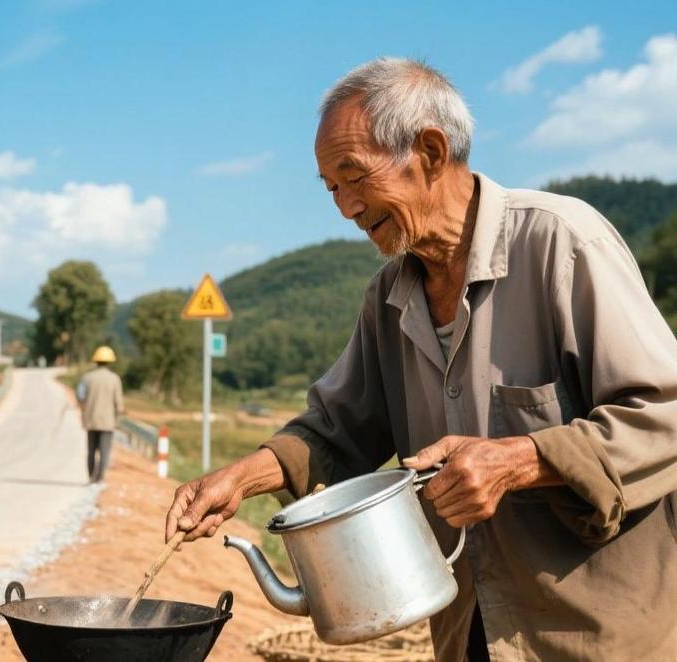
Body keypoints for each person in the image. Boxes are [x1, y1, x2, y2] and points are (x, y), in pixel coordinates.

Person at [165, 58, 677, 661]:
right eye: (331, 187)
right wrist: (240, 478)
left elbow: (664, 412)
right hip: (467, 631)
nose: (345, 208)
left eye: (353, 176)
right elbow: (338, 429)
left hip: (597, 635)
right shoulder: (387, 298)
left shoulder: (561, 243)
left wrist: (519, 459)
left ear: (430, 152)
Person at [77, 346, 124, 483]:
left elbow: (80, 396)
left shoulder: (87, 378)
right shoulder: (115, 379)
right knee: (104, 451)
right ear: (110, 362)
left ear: (96, 361)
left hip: (90, 420)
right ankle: (100, 478)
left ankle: (91, 476)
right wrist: (118, 417)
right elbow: (119, 403)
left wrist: (84, 409)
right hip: (107, 422)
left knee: (91, 450)